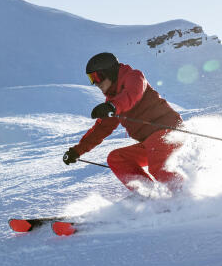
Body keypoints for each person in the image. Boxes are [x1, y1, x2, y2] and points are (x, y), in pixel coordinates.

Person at [63, 52, 185, 193]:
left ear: (109, 72)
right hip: (151, 142)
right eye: (91, 79)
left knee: (158, 167)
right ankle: (148, 195)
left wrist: (113, 107)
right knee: (117, 158)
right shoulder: (113, 101)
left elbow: (132, 94)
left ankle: (185, 195)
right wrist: (77, 151)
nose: (95, 83)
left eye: (96, 77)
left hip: (168, 131)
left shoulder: (134, 77)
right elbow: (101, 129)